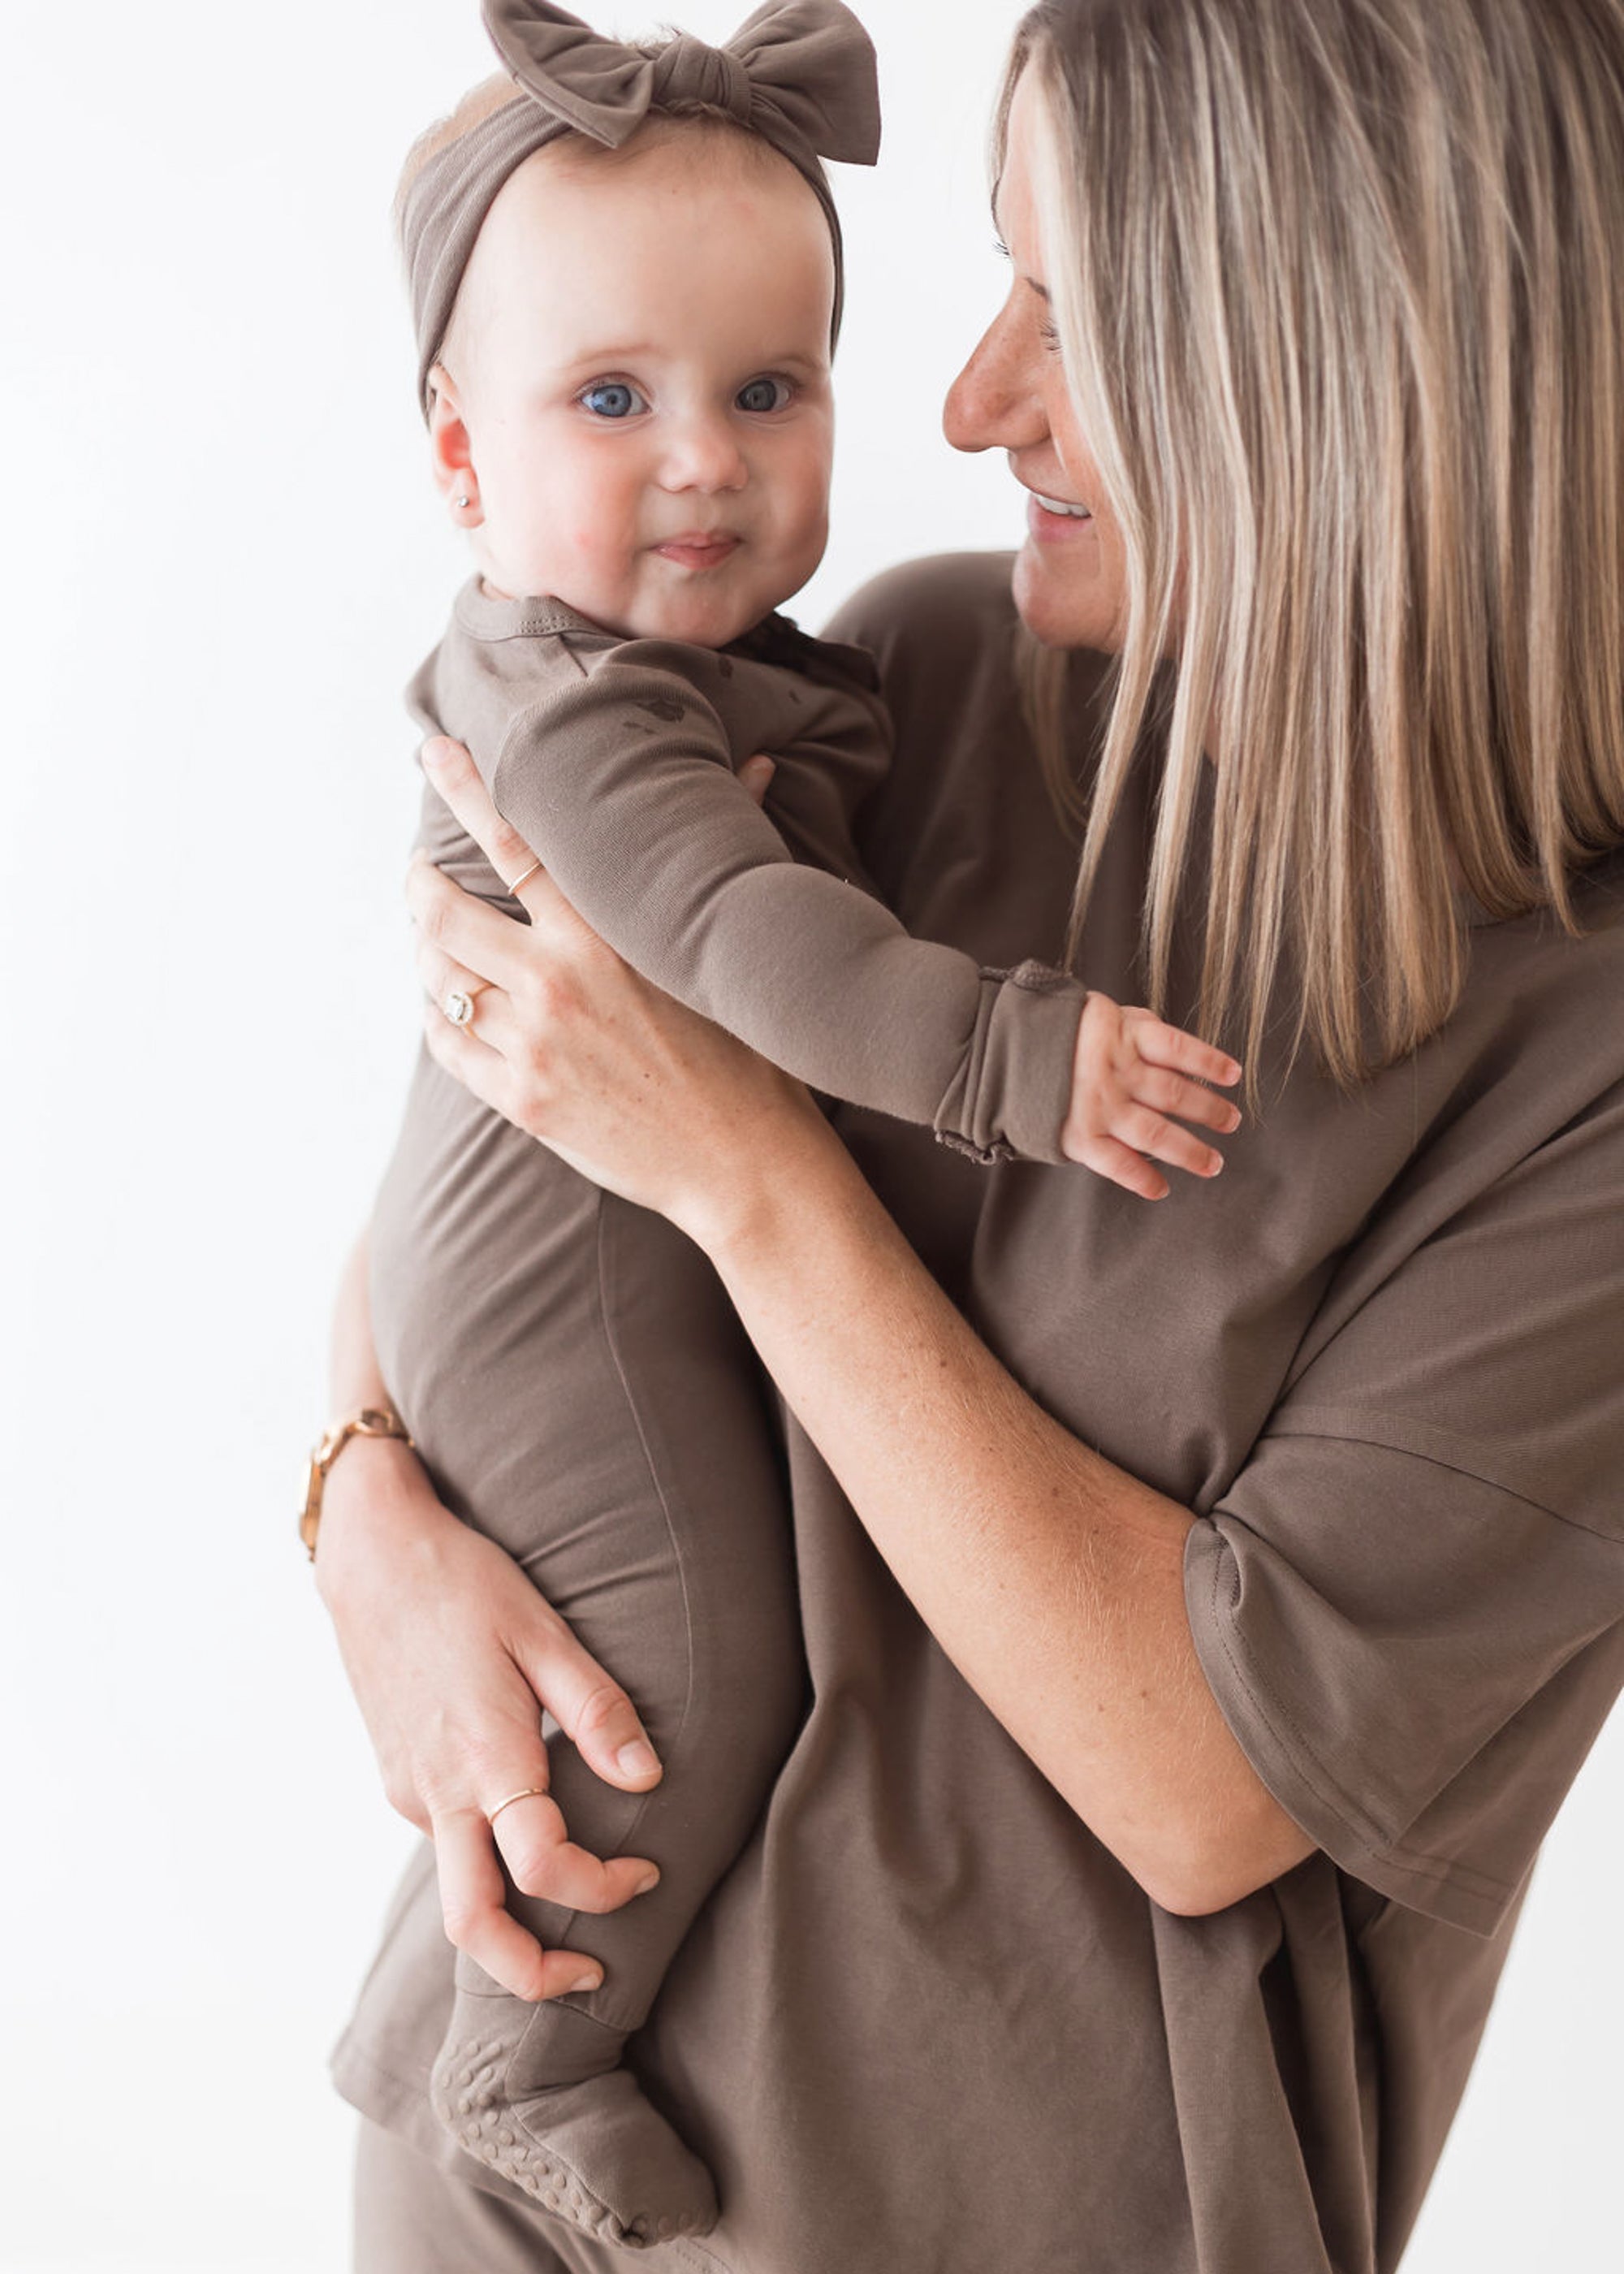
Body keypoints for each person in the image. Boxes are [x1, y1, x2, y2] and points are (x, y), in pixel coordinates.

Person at [313, 1, 1624, 2268]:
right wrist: (362, 1520)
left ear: (1335, 370)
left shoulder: (1579, 1053)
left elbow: (1204, 1781)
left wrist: (749, 1170)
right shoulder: (902, 692)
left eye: (1075, 323)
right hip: (499, 2165)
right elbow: (498, 1139)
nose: (967, 402)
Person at [353, 0, 1242, 2252]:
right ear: (462, 460)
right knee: (690, 1667)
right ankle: (522, 2056)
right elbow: (751, 946)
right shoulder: (576, 713)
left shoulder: (782, 677)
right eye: (612, 401)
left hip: (580, 1253)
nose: (705, 465)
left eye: (769, 391)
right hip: (555, 1291)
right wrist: (1017, 1059)